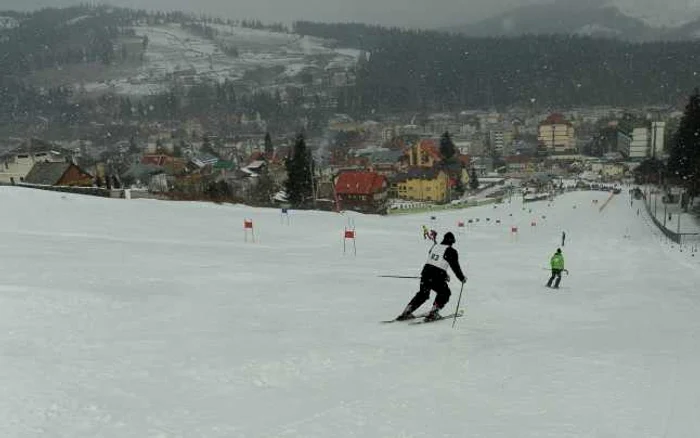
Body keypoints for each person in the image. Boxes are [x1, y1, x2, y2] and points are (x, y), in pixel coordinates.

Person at [396, 232, 466, 322]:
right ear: (452, 242)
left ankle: (407, 312)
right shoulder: (451, 251)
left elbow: (434, 261)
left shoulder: (435, 246)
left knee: (423, 294)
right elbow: (455, 267)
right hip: (436, 275)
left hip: (426, 273)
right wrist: (462, 278)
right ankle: (433, 313)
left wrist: (443, 274)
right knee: (445, 293)